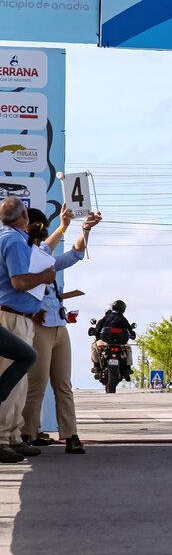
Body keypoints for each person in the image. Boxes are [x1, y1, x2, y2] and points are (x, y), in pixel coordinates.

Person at [21, 206, 99, 454]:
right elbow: (41, 253)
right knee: (37, 382)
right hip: (38, 327)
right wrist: (63, 226)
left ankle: (71, 434)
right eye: (39, 229)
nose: (42, 235)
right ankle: (27, 433)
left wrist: (85, 229)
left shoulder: (45, 255)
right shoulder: (24, 255)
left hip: (58, 326)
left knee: (63, 383)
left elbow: (75, 255)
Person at [0, 198, 55, 464]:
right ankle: (2, 438)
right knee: (9, 383)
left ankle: (11, 436)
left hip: (18, 316)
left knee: (18, 384)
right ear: (24, 215)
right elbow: (19, 281)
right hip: (10, 316)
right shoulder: (12, 241)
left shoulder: (13, 239)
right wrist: (44, 277)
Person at [90, 300, 135, 378]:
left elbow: (98, 329)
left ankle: (96, 366)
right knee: (128, 348)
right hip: (121, 343)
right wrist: (132, 334)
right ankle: (127, 368)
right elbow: (129, 330)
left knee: (94, 346)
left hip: (105, 342)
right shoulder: (123, 318)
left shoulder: (106, 318)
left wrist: (95, 333)